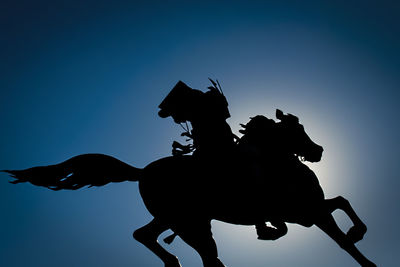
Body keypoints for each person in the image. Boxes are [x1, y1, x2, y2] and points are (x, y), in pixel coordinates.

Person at [158, 79, 287, 241]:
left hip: (219, 148)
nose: (176, 118)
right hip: (216, 150)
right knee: (251, 171)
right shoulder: (198, 111)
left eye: (174, 112)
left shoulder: (200, 106)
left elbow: (215, 123)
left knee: (252, 167)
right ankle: (260, 224)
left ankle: (261, 221)